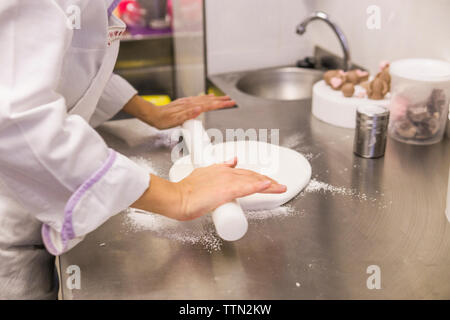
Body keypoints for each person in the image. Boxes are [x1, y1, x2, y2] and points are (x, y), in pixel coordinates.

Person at [0, 0, 286, 299]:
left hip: (31, 213)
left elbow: (65, 65)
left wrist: (150, 112)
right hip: (10, 226)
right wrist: (179, 195)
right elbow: (17, 117)